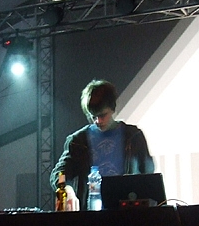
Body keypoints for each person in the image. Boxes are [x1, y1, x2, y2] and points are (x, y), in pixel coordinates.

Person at [51, 79, 155, 210]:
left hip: (128, 214)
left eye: (102, 115)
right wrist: (66, 188)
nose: (98, 121)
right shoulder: (78, 141)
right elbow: (60, 172)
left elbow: (148, 175)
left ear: (113, 108)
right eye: (93, 116)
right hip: (91, 214)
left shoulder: (134, 137)